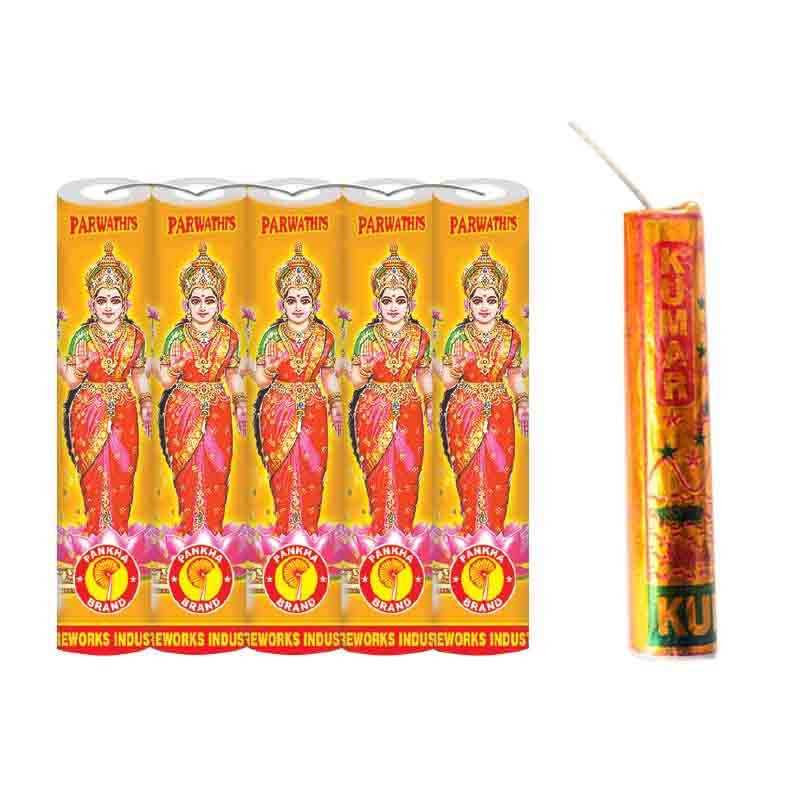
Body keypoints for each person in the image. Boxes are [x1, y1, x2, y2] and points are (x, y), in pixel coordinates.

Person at [248, 243, 343, 534]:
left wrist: (336, 404)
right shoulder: (271, 337)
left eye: (305, 300)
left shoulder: (325, 336)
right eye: (292, 300)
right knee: (281, 470)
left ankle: (309, 528)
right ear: (282, 305)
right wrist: (267, 368)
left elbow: (328, 376)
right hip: (277, 410)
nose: (298, 307)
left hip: (314, 409)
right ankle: (284, 527)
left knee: (313, 469)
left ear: (315, 305)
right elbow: (261, 381)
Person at [60, 242, 151, 534]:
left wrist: (146, 404)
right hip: (87, 411)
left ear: (125, 305)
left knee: (123, 470)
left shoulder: (135, 336)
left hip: (124, 409)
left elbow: (138, 375)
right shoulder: (81, 337)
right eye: (102, 301)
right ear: (91, 305)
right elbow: (72, 380)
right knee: (93, 473)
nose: (108, 307)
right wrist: (73, 364)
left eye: (115, 300)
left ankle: (119, 530)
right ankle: (95, 530)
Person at [156, 242, 247, 535]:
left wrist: (240, 403)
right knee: (186, 470)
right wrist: (173, 367)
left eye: (209, 300)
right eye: (196, 301)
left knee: (218, 469)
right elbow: (166, 380)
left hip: (218, 409)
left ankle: (214, 529)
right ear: (186, 305)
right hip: (182, 409)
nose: (203, 307)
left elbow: (232, 374)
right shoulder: (176, 337)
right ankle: (189, 527)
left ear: (220, 305)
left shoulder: (229, 336)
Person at [439, 244, 529, 535]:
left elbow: (514, 374)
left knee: (499, 471)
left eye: (491, 300)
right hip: (464, 411)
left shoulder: (511, 336)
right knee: (468, 472)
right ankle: (470, 530)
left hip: (501, 410)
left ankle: (495, 531)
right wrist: (455, 369)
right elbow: (448, 381)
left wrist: (523, 402)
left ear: (501, 304)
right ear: (468, 305)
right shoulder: (457, 336)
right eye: (478, 300)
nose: (484, 306)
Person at [348, 243, 433, 535]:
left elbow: (423, 373)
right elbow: (356, 381)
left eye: (400, 300)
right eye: (387, 300)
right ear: (377, 305)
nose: (393, 307)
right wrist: (363, 369)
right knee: (377, 470)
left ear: (410, 305)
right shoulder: (366, 337)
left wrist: (430, 402)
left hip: (409, 409)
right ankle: (380, 529)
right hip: (372, 410)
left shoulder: (420, 336)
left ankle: (404, 530)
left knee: (408, 470)